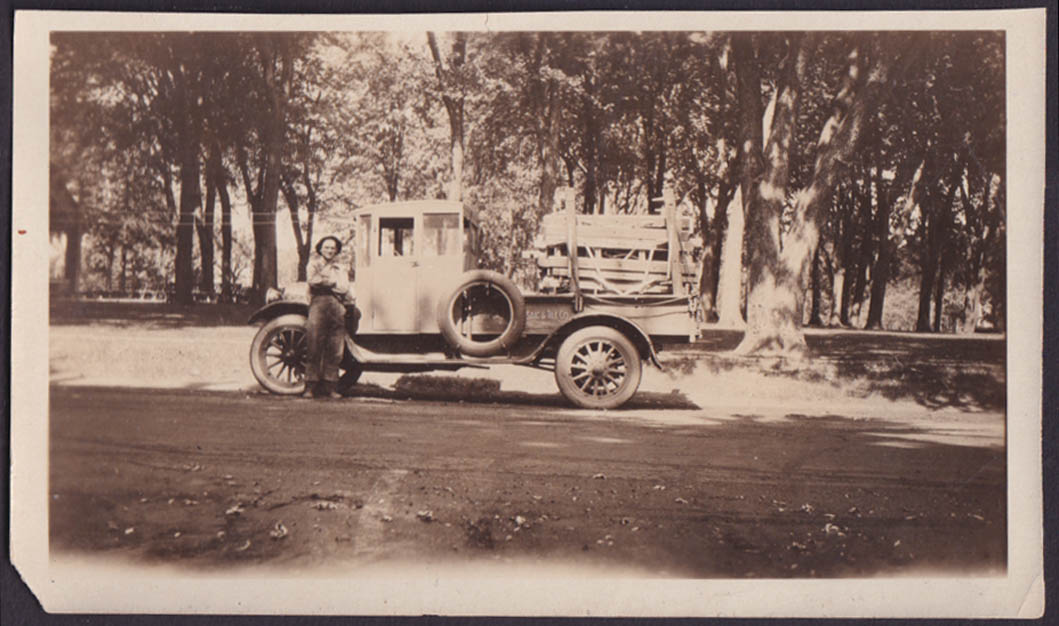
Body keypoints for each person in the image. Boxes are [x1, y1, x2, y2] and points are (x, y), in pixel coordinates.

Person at [303, 236, 351, 399]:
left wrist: (326, 282)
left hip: (337, 306)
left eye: (333, 248)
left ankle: (331, 387)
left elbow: (344, 288)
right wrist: (332, 283)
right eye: (326, 247)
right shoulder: (313, 264)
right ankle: (309, 386)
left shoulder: (341, 267)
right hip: (318, 304)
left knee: (335, 348)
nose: (330, 250)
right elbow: (313, 281)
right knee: (314, 344)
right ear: (320, 249)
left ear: (336, 250)